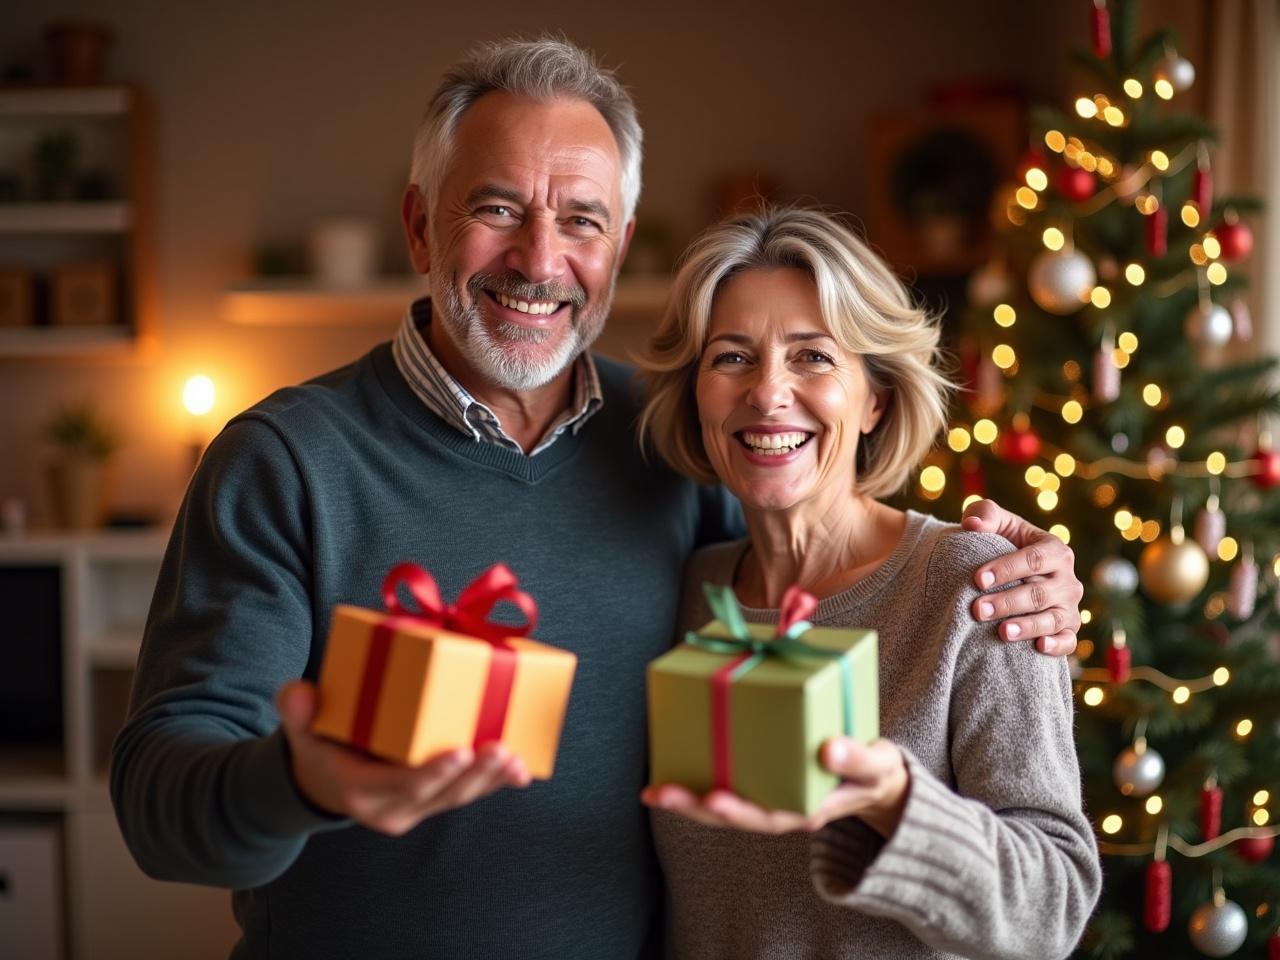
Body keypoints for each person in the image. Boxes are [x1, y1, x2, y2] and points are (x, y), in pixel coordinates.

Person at [111, 39, 1084, 959]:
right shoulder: (285, 461)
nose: (539, 260)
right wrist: (299, 778)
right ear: (418, 225)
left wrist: (1024, 575)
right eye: (495, 208)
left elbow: (829, 520)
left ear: (617, 246)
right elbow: (163, 807)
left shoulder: (667, 442)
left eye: (579, 219)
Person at [636, 206, 1101, 960]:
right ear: (696, 392)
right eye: (730, 357)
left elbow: (1053, 906)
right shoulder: (691, 591)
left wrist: (896, 804)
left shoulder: (975, 585)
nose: (768, 392)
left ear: (875, 397)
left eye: (813, 357)